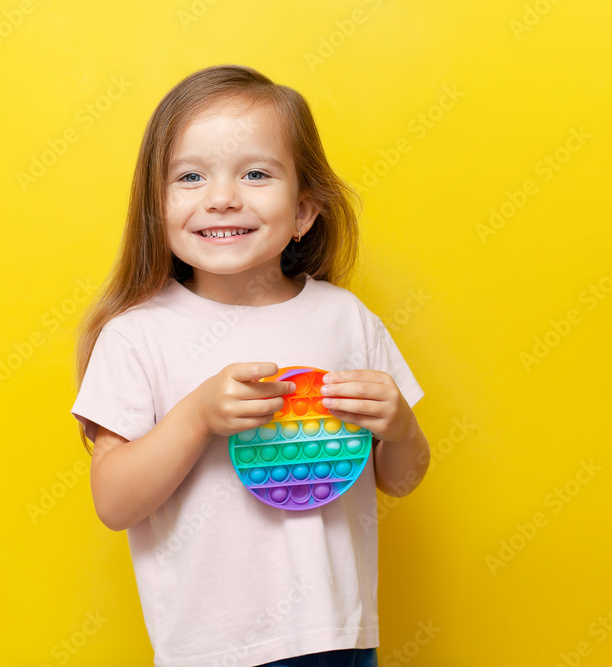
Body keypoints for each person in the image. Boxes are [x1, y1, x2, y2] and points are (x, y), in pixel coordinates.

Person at [70, 64, 430, 667]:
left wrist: (401, 429)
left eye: (256, 173)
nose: (222, 197)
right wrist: (197, 416)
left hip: (338, 638)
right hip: (211, 650)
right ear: (156, 208)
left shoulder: (346, 319)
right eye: (190, 176)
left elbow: (401, 477)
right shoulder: (138, 336)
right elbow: (113, 502)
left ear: (303, 212)